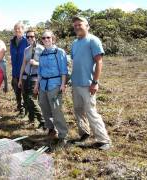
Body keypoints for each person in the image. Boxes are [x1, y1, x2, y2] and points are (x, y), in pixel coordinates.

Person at [71, 16, 111, 150]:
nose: (77, 27)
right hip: (75, 83)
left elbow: (99, 62)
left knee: (91, 111)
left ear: (87, 26)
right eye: (75, 25)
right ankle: (84, 133)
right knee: (78, 110)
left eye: (80, 24)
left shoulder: (93, 40)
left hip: (88, 84)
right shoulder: (75, 43)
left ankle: (103, 140)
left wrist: (95, 82)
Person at [34, 30, 68, 146]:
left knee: (56, 109)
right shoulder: (42, 53)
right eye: (44, 38)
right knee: (44, 106)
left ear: (53, 39)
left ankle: (63, 135)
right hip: (43, 84)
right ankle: (51, 128)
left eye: (48, 37)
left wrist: (63, 84)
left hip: (55, 84)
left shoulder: (59, 52)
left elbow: (64, 70)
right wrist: (36, 85)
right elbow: (40, 71)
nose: (46, 40)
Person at [18, 29, 45, 129]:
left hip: (35, 77)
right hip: (26, 77)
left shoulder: (41, 49)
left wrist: (36, 63)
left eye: (32, 36)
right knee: (27, 100)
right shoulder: (26, 49)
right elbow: (23, 64)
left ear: (35, 37)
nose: (30, 38)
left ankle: (43, 121)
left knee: (32, 99)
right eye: (28, 36)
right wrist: (20, 78)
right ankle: (32, 120)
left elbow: (46, 64)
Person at [10, 22, 28, 116]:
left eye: (19, 29)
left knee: (24, 92)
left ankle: (26, 111)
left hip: (25, 71)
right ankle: (20, 108)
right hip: (15, 71)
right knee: (17, 91)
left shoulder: (26, 40)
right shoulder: (12, 41)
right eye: (16, 29)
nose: (17, 30)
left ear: (23, 30)